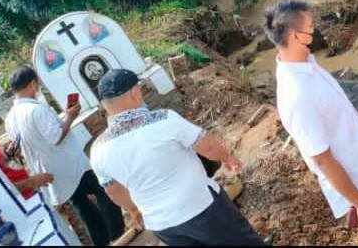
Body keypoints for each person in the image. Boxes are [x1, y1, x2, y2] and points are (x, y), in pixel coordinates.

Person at [264, 0, 358, 246]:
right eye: (311, 27)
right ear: (296, 36)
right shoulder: (297, 95)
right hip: (357, 179)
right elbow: (322, 160)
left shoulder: (305, 64)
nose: (316, 31)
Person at [90, 69, 263, 246]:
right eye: (139, 88)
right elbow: (207, 146)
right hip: (201, 206)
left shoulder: (98, 150)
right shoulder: (163, 119)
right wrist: (227, 158)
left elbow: (112, 190)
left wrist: (134, 209)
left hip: (162, 224)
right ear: (134, 93)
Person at [5, 66, 125, 245]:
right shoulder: (36, 110)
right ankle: (117, 234)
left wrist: (63, 120)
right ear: (32, 83)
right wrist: (70, 116)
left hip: (50, 171)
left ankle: (102, 241)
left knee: (83, 207)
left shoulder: (10, 118)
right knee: (104, 189)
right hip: (68, 164)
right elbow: (55, 138)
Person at [0, 100, 53, 198]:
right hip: (22, 203)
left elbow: (1, 165)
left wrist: (9, 154)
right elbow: (0, 190)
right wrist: (33, 181)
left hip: (30, 194)